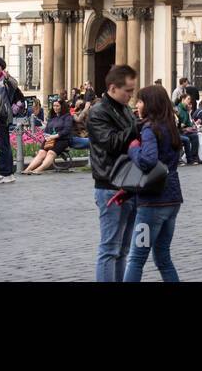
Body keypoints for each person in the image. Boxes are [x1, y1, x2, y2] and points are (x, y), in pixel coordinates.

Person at [124, 84, 184, 282]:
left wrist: (133, 148)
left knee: (136, 258)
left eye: (140, 101)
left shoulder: (150, 129)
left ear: (149, 104)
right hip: (172, 199)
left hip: (153, 203)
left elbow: (148, 160)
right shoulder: (171, 127)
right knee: (163, 257)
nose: (137, 105)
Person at [88, 64, 140, 282]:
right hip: (110, 186)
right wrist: (138, 128)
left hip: (130, 184)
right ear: (112, 88)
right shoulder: (98, 112)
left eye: (132, 90)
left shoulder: (125, 109)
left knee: (124, 249)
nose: (131, 95)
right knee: (110, 248)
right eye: (127, 90)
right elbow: (110, 143)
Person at [0, 56, 24, 184]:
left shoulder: (5, 80)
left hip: (3, 116)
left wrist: (8, 78)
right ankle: (7, 172)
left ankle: (5, 172)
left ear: (0, 67)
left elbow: (14, 85)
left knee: (3, 145)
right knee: (4, 145)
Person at [21, 98, 73, 174]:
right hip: (49, 139)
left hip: (61, 140)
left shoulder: (67, 117)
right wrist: (46, 136)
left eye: (57, 106)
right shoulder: (52, 117)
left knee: (50, 153)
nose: (55, 108)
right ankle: (28, 169)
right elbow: (46, 129)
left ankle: (39, 169)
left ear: (62, 106)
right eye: (54, 106)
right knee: (41, 153)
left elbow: (67, 130)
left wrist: (54, 136)